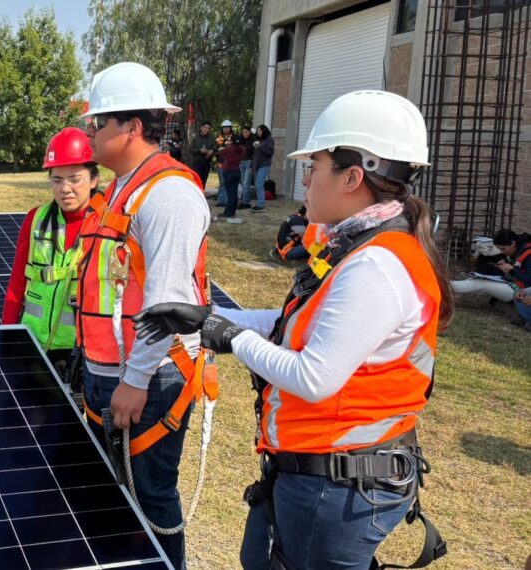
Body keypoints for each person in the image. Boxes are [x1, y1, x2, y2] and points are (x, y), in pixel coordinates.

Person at [134, 90, 451, 570]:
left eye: (314, 166)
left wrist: (230, 336)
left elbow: (313, 376)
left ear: (352, 177)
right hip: (317, 472)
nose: (304, 179)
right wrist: (203, 318)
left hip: (337, 488)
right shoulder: (357, 245)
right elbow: (294, 326)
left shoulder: (377, 265)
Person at [77, 61, 212, 569]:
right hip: (111, 370)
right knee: (114, 500)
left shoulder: (169, 195)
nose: (91, 132)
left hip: (151, 379)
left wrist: (133, 381)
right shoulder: (122, 186)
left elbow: (169, 303)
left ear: (133, 128)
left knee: (149, 499)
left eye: (100, 122)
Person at [2, 127, 99, 372]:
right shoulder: (36, 218)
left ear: (94, 179)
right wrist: (7, 332)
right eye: (57, 179)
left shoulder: (107, 224)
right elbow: (17, 282)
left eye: (74, 179)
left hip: (82, 349)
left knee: (71, 411)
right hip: (33, 340)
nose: (65, 188)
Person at [494, 229, 531, 329]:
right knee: (519, 295)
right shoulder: (518, 252)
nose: (502, 252)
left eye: (503, 249)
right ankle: (527, 319)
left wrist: (512, 270)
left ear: (513, 243)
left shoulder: (528, 254)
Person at [217, 133, 246, 223]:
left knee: (230, 193)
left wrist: (222, 148)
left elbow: (220, 153)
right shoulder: (242, 149)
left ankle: (228, 212)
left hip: (228, 171)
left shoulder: (229, 148)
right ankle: (233, 211)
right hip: (237, 171)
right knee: (234, 193)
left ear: (232, 141)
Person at [251, 125, 275, 212]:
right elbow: (256, 156)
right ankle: (259, 204)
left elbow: (269, 152)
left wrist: (260, 146)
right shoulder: (260, 140)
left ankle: (261, 205)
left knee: (259, 184)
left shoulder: (269, 139)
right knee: (258, 185)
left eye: (259, 130)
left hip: (264, 165)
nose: (258, 132)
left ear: (264, 131)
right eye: (257, 131)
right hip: (257, 165)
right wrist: (253, 166)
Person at [189, 121, 215, 192]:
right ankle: (194, 196)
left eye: (209, 128)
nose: (207, 130)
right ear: (202, 128)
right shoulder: (196, 137)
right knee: (196, 181)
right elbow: (191, 149)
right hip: (197, 163)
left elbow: (215, 148)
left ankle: (201, 197)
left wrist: (212, 151)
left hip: (206, 162)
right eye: (206, 128)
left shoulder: (212, 138)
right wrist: (200, 150)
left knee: (203, 182)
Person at [214, 119, 235, 207]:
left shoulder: (234, 137)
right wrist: (218, 151)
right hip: (220, 163)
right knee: (222, 181)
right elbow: (215, 149)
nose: (226, 129)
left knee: (228, 181)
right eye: (224, 128)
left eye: (227, 127)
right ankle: (220, 200)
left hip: (230, 164)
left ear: (230, 128)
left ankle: (227, 200)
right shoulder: (219, 138)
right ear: (222, 129)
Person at [239, 127, 255, 208]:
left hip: (249, 162)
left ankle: (244, 203)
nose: (245, 133)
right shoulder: (240, 141)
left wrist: (253, 164)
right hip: (241, 162)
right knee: (243, 183)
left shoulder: (253, 141)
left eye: (246, 132)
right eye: (243, 132)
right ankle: (247, 201)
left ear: (250, 132)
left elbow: (255, 154)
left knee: (246, 183)